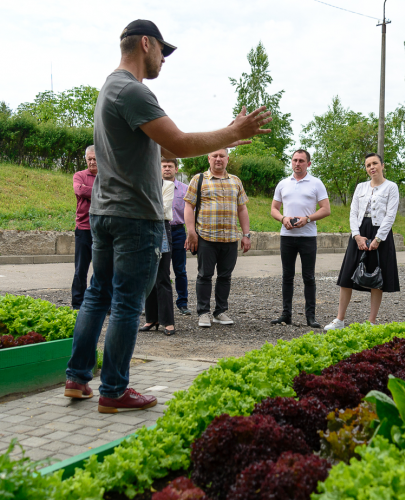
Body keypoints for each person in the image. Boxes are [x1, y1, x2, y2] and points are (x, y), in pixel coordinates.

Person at [64, 19, 271, 413]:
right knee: (126, 301)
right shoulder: (133, 91)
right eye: (163, 50)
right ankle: (114, 389)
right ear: (146, 44)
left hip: (106, 212)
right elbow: (177, 143)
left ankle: (77, 378)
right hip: (133, 216)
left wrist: (223, 131)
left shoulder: (110, 87)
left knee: (97, 295)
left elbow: (156, 148)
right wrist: (231, 134)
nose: (164, 59)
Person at [324, 153, 400, 330]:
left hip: (380, 232)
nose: (371, 167)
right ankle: (339, 320)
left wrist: (378, 239)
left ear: (382, 165)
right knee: (346, 276)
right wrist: (356, 236)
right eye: (368, 165)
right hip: (359, 231)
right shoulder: (360, 187)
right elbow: (353, 211)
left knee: (376, 277)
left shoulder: (391, 187)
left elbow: (390, 215)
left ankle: (371, 322)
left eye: (375, 163)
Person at [184, 149, 252, 328]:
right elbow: (188, 206)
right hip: (206, 236)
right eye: (215, 155)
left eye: (222, 156)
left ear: (227, 159)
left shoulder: (235, 181)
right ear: (209, 158)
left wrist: (246, 235)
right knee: (204, 275)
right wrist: (191, 231)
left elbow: (242, 209)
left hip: (230, 238)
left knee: (225, 277)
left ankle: (220, 311)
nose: (218, 159)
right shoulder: (198, 180)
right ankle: (203, 312)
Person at [270, 150, 331, 328]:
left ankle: (310, 317)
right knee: (287, 276)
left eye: (302, 161)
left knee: (308, 277)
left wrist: (308, 219)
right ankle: (286, 314)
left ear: (308, 164)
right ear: (291, 162)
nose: (297, 163)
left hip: (307, 236)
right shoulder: (283, 184)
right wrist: (283, 218)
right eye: (295, 160)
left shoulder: (316, 183)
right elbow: (274, 208)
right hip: (287, 236)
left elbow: (326, 209)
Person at [140, 176, 176, 334]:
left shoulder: (167, 185)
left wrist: (142, 205)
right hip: (143, 228)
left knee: (162, 276)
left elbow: (162, 207)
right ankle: (151, 318)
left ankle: (167, 321)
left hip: (161, 228)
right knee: (147, 277)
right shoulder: (141, 182)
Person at [162, 157, 191, 316]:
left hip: (178, 231)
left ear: (176, 169)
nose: (167, 169)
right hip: (160, 231)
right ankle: (158, 303)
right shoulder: (153, 187)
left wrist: (190, 233)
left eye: (170, 166)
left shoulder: (185, 189)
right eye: (164, 166)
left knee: (180, 269)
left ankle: (182, 302)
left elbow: (191, 213)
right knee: (160, 270)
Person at [71, 146, 98, 310]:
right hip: (83, 228)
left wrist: (90, 191)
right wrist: (102, 191)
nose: (92, 162)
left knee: (102, 269)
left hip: (102, 229)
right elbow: (79, 191)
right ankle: (77, 303)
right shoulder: (79, 175)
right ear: (86, 159)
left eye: (95, 159)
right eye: (89, 159)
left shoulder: (106, 175)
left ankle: (99, 301)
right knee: (81, 269)